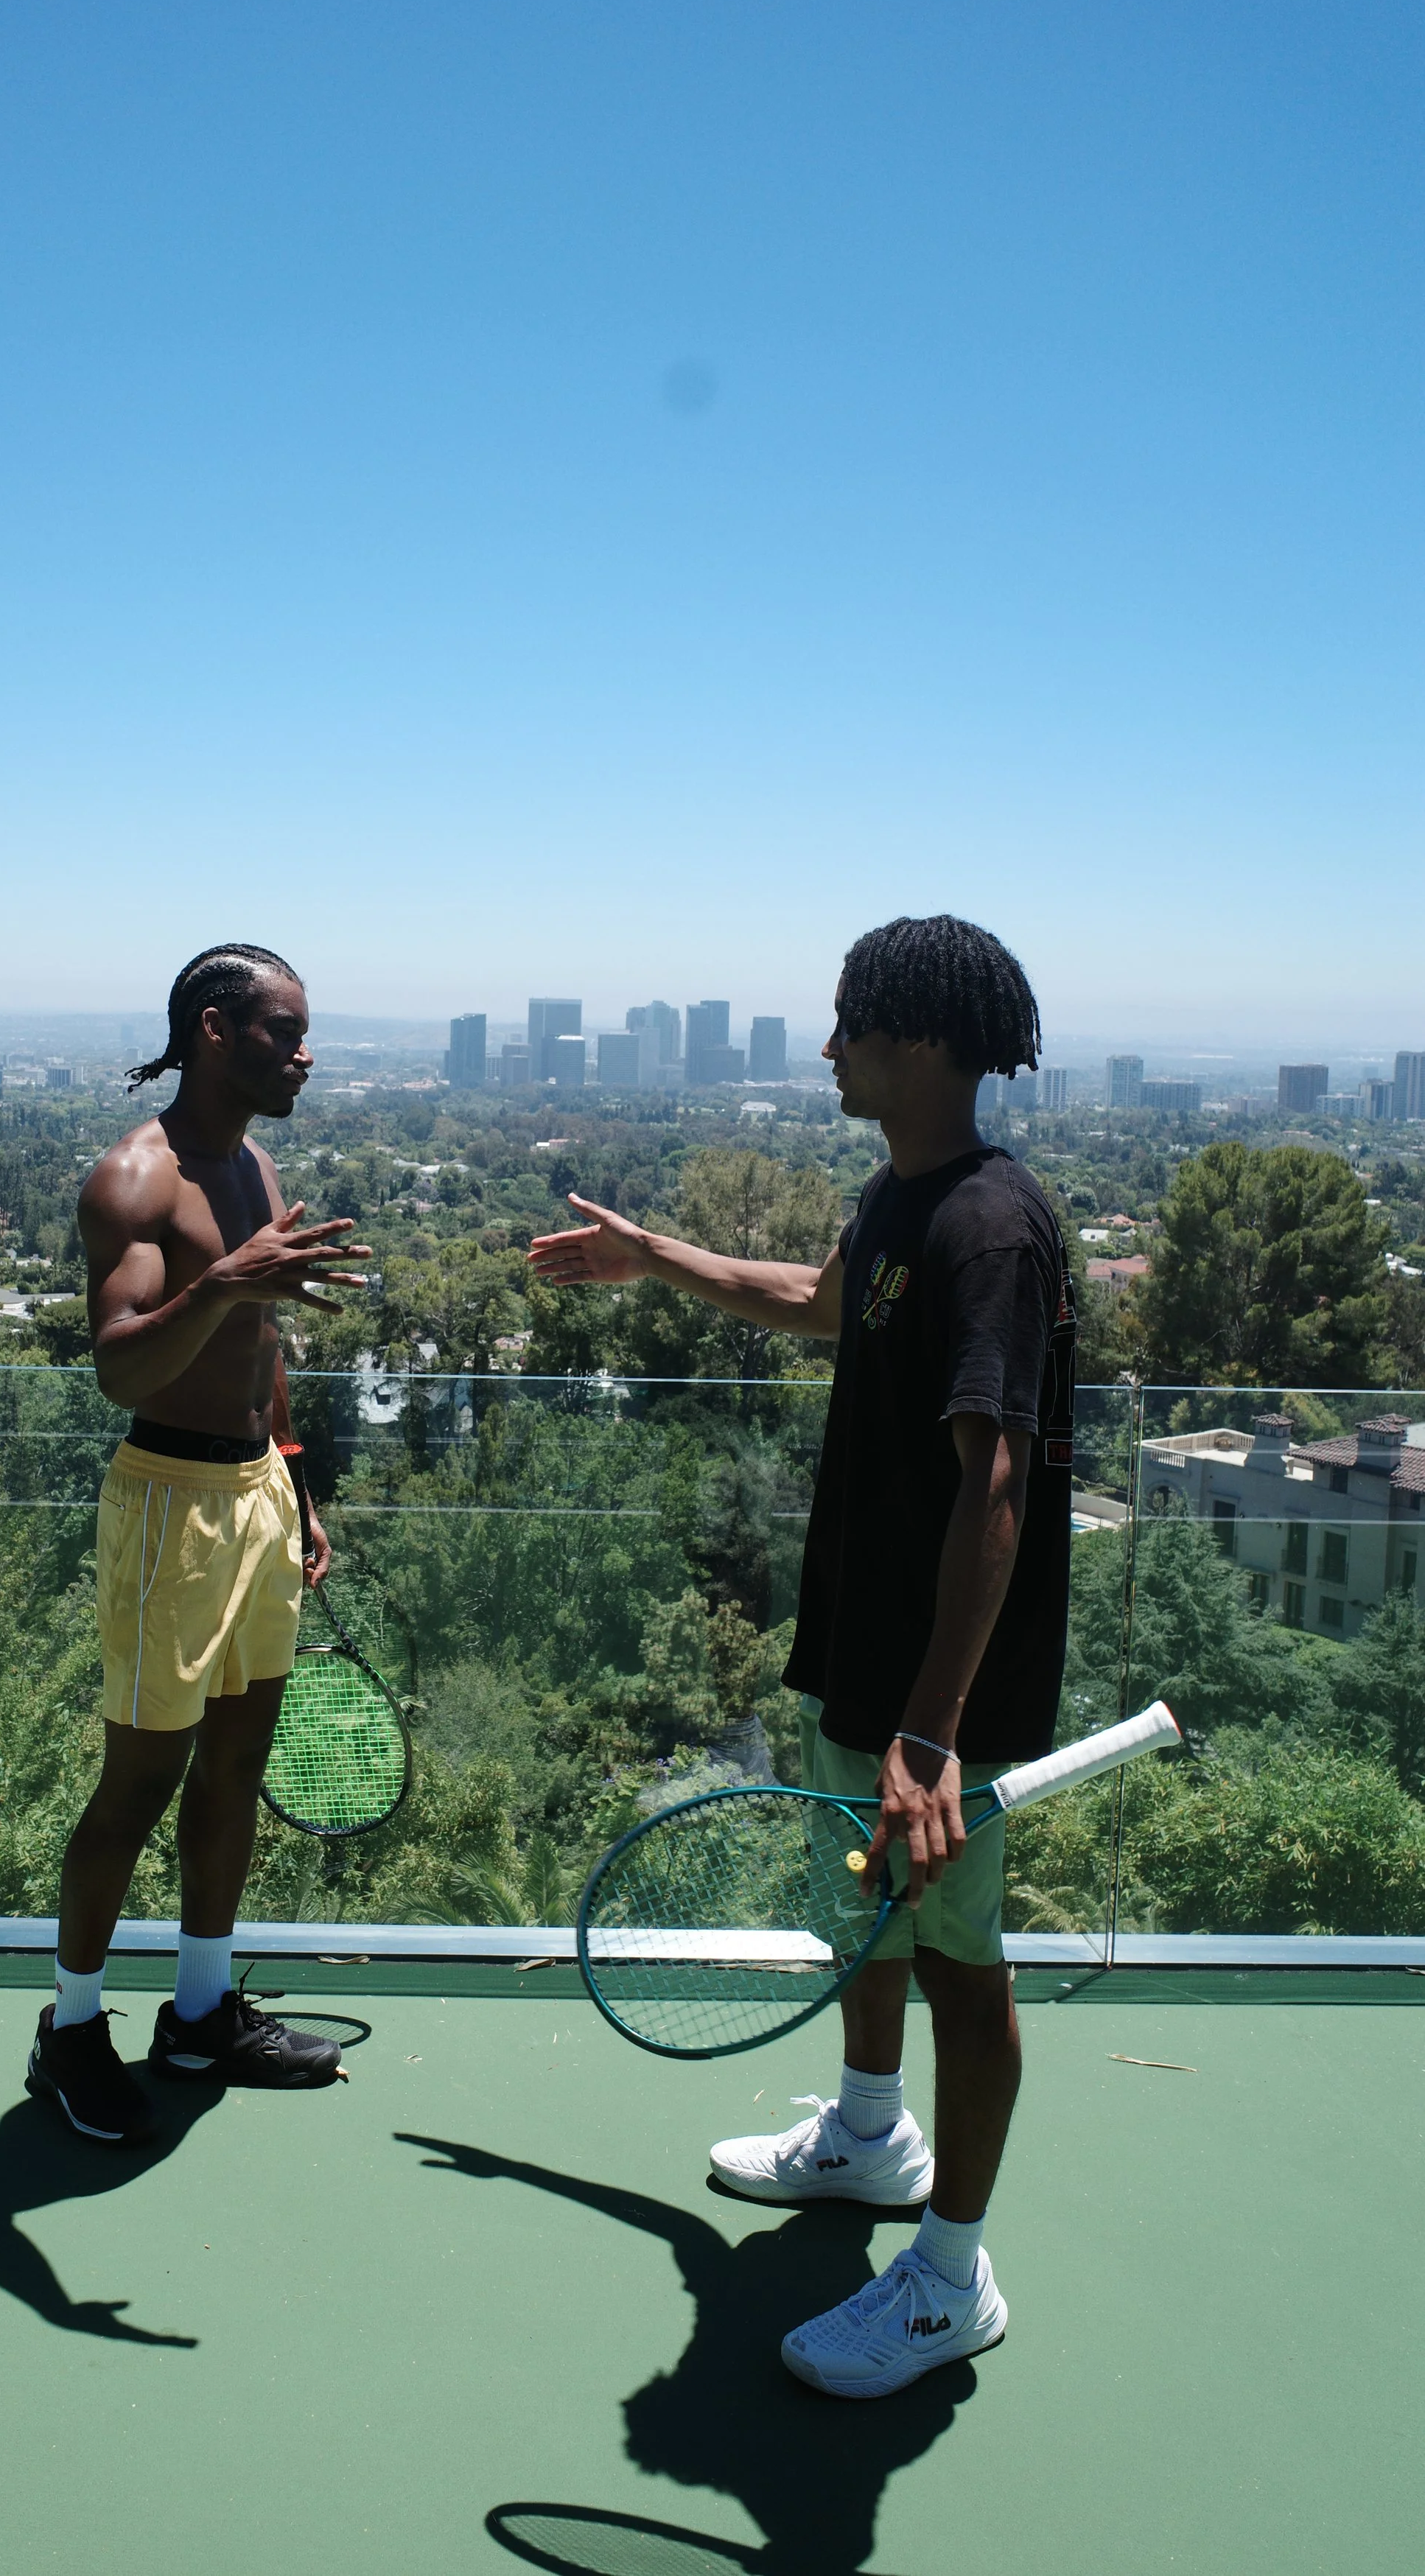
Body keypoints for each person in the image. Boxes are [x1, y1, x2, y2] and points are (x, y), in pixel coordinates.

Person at [529, 914, 1074, 2398]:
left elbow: (999, 1489)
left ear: (927, 1040)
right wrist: (652, 1261)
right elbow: (813, 1303)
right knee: (868, 1917)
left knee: (960, 1963)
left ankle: (949, 2275)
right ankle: (866, 2134)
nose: (826, 1049)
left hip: (932, 1692)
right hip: (867, 1656)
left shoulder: (988, 1227)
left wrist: (932, 1733)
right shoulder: (900, 1197)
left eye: (848, 1025)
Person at [26, 943, 372, 2144]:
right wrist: (226, 1279)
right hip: (167, 1504)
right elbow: (120, 1365)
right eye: (285, 1032)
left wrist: (294, 1474)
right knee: (141, 1778)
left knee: (235, 1765)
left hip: (255, 1501)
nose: (306, 1053)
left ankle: (202, 2009)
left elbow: (261, 1342)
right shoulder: (133, 1179)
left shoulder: (255, 1160)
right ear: (217, 1031)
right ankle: (70, 2029)